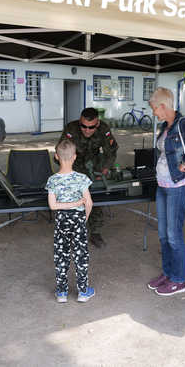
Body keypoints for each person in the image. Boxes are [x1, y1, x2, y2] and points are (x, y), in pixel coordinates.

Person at [146, 87, 185, 296]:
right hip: (162, 186)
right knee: (164, 235)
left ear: (163, 106)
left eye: (155, 108)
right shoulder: (166, 125)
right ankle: (168, 273)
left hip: (176, 188)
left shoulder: (183, 124)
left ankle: (179, 280)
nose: (154, 112)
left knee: (174, 236)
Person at [58, 107, 118, 248]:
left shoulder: (103, 129)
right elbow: (60, 150)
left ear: (97, 124)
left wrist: (104, 169)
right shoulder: (71, 129)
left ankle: (95, 232)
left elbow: (111, 151)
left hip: (95, 165)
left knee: (95, 198)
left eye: (91, 127)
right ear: (80, 121)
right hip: (75, 164)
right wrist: (66, 170)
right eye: (83, 126)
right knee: (73, 200)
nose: (87, 130)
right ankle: (71, 232)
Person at [46, 139, 95, 303]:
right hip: (78, 218)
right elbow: (89, 202)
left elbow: (52, 206)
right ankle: (83, 292)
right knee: (81, 254)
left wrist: (66, 207)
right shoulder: (82, 178)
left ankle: (61, 293)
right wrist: (83, 217)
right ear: (74, 157)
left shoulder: (52, 180)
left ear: (56, 157)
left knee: (61, 254)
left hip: (61, 220)